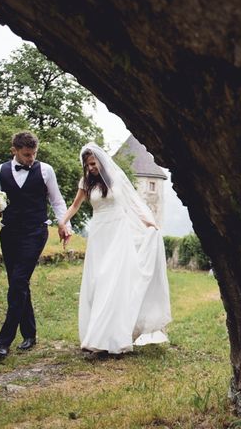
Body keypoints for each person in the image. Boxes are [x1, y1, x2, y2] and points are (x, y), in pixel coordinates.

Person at [61, 142, 171, 354]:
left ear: (101, 161)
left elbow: (132, 203)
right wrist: (62, 222)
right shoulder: (86, 182)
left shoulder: (116, 179)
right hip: (99, 235)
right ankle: (100, 337)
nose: (91, 168)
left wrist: (149, 222)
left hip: (119, 234)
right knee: (97, 282)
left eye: (93, 163)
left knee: (110, 280)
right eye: (88, 164)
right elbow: (75, 205)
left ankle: (112, 340)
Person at [0, 131, 71, 359]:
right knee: (17, 283)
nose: (30, 159)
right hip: (9, 233)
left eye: (33, 154)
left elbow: (57, 200)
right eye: (26, 155)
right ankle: (30, 334)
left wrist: (64, 224)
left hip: (36, 232)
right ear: (14, 151)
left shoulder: (45, 170)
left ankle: (3, 342)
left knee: (18, 281)